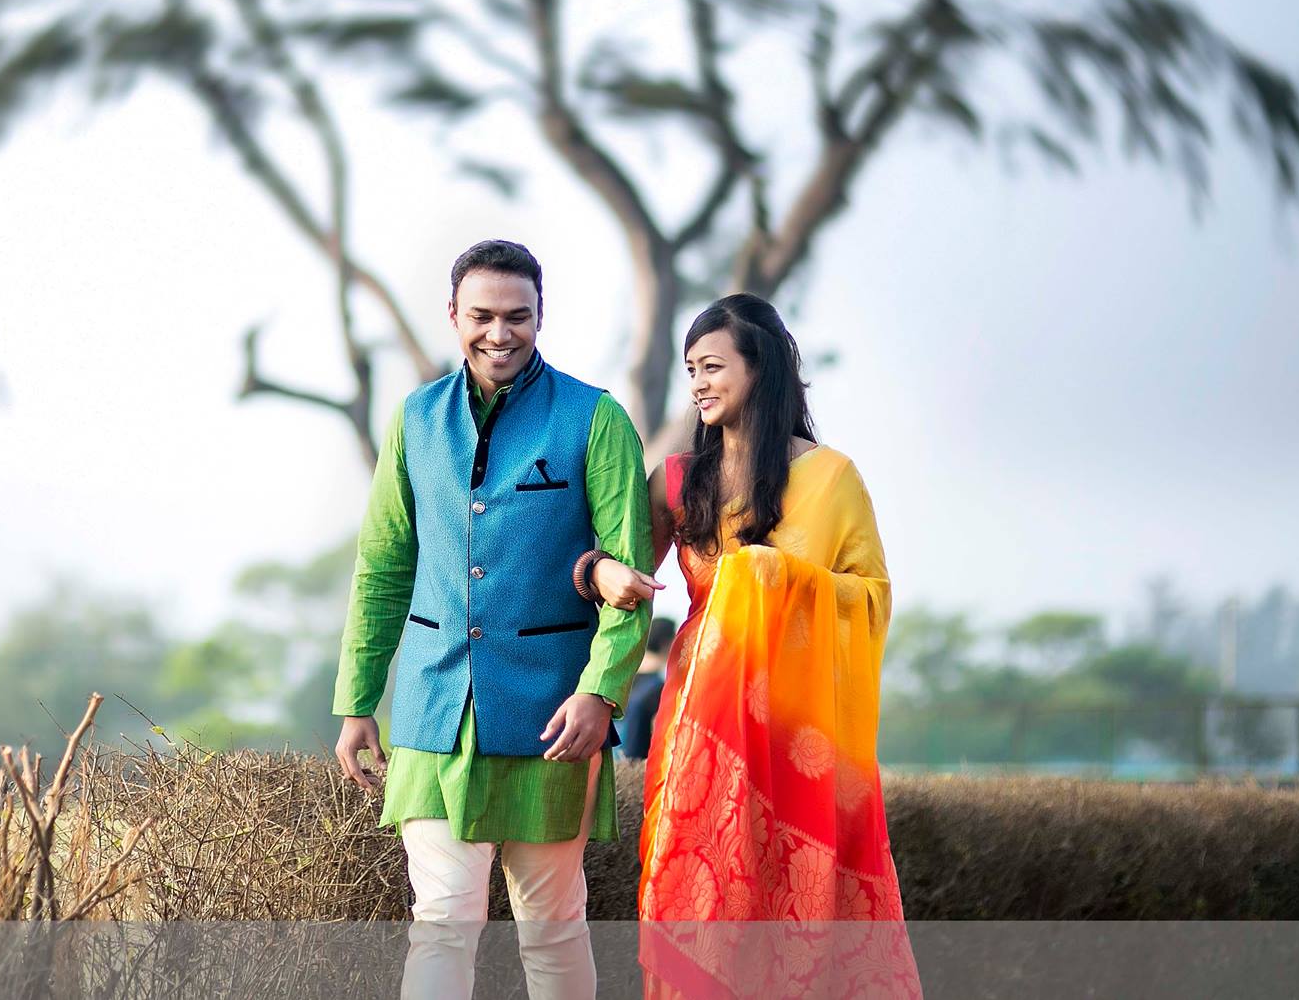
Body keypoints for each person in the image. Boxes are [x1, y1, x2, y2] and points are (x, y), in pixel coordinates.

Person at [332, 239, 655, 1000]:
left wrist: (601, 692)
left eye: (518, 316)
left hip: (554, 720)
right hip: (433, 714)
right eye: (481, 316)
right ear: (453, 316)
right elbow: (383, 567)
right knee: (441, 918)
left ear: (541, 316)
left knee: (551, 925)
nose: (499, 333)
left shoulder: (595, 418)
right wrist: (356, 702)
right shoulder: (414, 420)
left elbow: (628, 572)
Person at [587, 294, 921, 999]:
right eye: (690, 370)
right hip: (701, 729)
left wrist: (779, 576)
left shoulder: (832, 479)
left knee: (791, 908)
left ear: (761, 368)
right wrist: (599, 569)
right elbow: (624, 571)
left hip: (801, 737)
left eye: (713, 366)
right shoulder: (679, 480)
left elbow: (871, 595)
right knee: (695, 898)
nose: (700, 382)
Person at [618, 617, 676, 760]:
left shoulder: (622, 676)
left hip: (611, 758)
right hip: (635, 764)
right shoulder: (658, 687)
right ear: (665, 643)